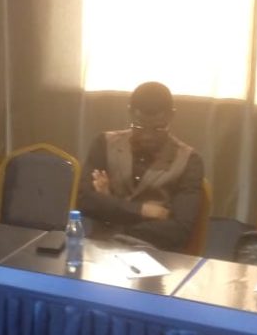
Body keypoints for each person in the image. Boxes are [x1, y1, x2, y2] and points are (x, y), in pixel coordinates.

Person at [77, 82, 204, 251]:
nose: (147, 136)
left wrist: (110, 207)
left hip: (154, 252)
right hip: (101, 249)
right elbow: (85, 201)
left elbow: (180, 229)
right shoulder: (104, 144)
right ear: (130, 113)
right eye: (139, 127)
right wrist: (143, 210)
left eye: (158, 128)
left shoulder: (190, 160)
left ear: (171, 116)